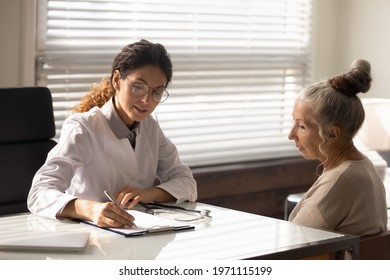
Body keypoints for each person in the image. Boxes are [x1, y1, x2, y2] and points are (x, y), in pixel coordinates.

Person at [28, 39, 197, 228]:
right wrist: (91, 210)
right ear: (117, 80)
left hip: (138, 234)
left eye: (157, 92)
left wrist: (147, 193)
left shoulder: (150, 128)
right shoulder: (83, 128)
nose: (147, 100)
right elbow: (39, 193)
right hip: (88, 235)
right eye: (138, 87)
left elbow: (186, 182)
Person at [287, 59, 387, 236]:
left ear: (332, 134)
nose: (291, 135)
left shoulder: (339, 181)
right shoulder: (364, 167)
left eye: (302, 126)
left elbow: (293, 245)